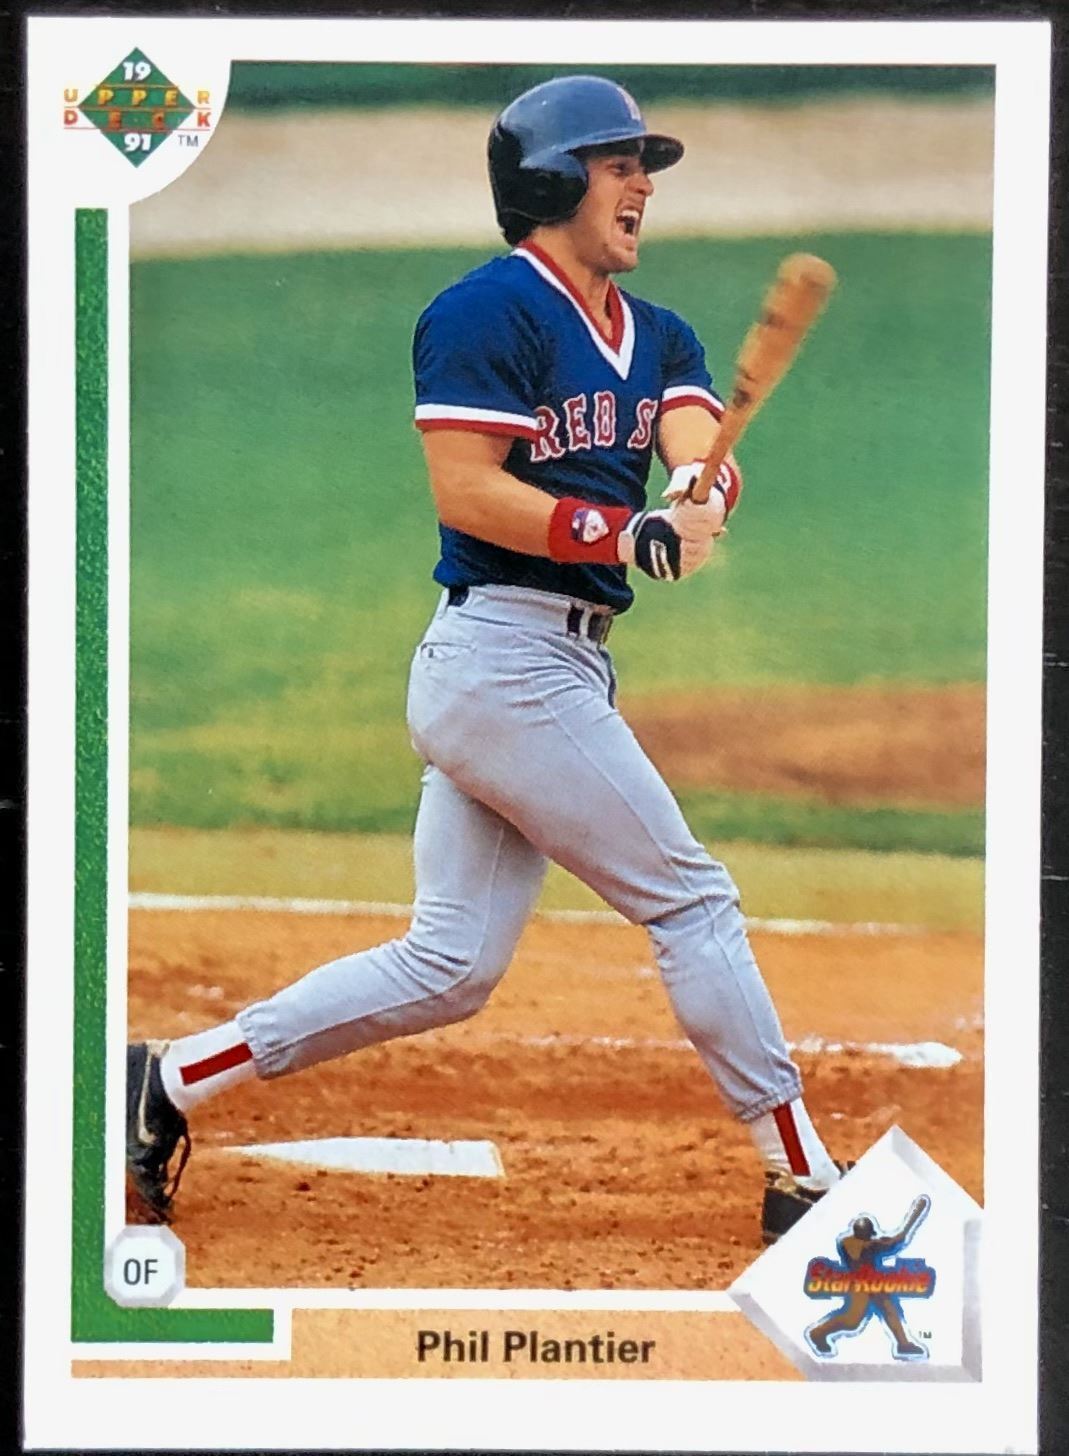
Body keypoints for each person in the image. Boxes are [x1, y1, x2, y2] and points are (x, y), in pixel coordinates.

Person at [126, 75, 845, 1244]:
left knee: (450, 964)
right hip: (502, 661)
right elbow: (466, 489)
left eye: (642, 167)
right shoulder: (483, 313)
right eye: (619, 164)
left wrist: (694, 490)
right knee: (690, 898)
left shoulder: (658, 332)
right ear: (554, 180)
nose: (642, 185)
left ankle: (161, 1082)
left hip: (551, 671)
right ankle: (802, 1174)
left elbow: (694, 440)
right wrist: (623, 531)